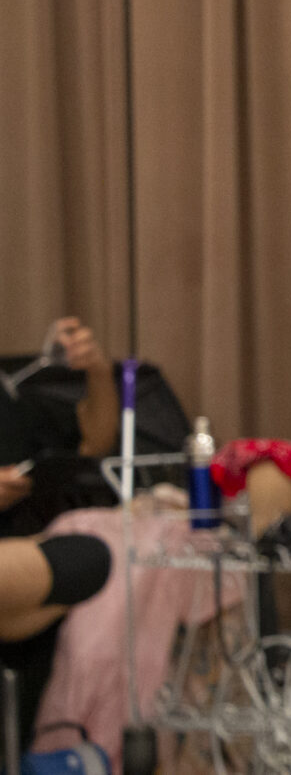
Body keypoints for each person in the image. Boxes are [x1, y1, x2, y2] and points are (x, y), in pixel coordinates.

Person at [0, 317, 116, 751]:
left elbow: (94, 441)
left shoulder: (11, 396)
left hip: (17, 564)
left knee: (89, 558)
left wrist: (98, 371)